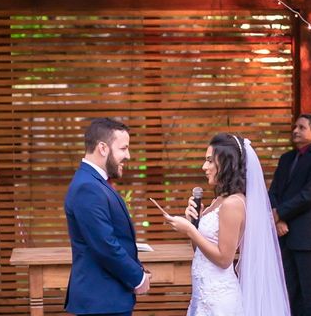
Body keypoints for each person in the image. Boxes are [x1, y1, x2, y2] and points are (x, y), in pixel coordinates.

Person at [164, 133, 290, 315]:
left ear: (226, 164)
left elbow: (224, 259)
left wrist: (191, 230)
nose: (204, 167)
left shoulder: (234, 204)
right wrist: (195, 222)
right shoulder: (219, 200)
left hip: (219, 300)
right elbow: (200, 251)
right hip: (203, 295)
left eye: (209, 161)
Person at [64, 117, 151, 316]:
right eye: (123, 148)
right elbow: (105, 244)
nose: (128, 155)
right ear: (103, 148)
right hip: (101, 302)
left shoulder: (95, 182)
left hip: (108, 299)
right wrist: (137, 277)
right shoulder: (88, 187)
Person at [268, 114, 311, 316]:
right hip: (283, 235)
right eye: (295, 126)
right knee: (288, 292)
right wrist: (278, 219)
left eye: (301, 127)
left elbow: (309, 195)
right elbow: (274, 192)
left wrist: (280, 213)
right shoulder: (286, 158)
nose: (295, 130)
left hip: (306, 238)